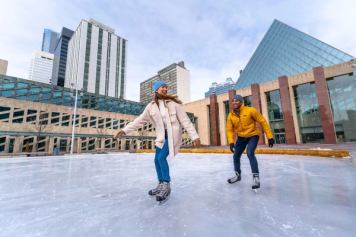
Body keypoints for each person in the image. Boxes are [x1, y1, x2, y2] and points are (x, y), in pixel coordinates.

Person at [114, 81, 201, 202]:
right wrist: (124, 131)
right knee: (156, 160)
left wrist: (194, 136)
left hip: (172, 135)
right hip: (161, 137)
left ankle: (166, 184)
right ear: (156, 90)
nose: (165, 89)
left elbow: (186, 121)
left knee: (161, 158)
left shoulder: (174, 104)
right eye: (162, 87)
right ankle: (160, 184)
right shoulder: (150, 107)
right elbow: (139, 121)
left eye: (166, 87)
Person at [226, 94, 274, 189]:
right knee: (236, 156)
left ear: (241, 102)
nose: (234, 102)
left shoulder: (250, 110)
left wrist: (270, 137)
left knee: (250, 153)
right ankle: (238, 175)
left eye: (237, 100)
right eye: (233, 101)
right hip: (241, 137)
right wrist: (231, 142)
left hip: (253, 135)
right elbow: (229, 130)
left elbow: (262, 121)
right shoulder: (230, 115)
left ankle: (256, 178)